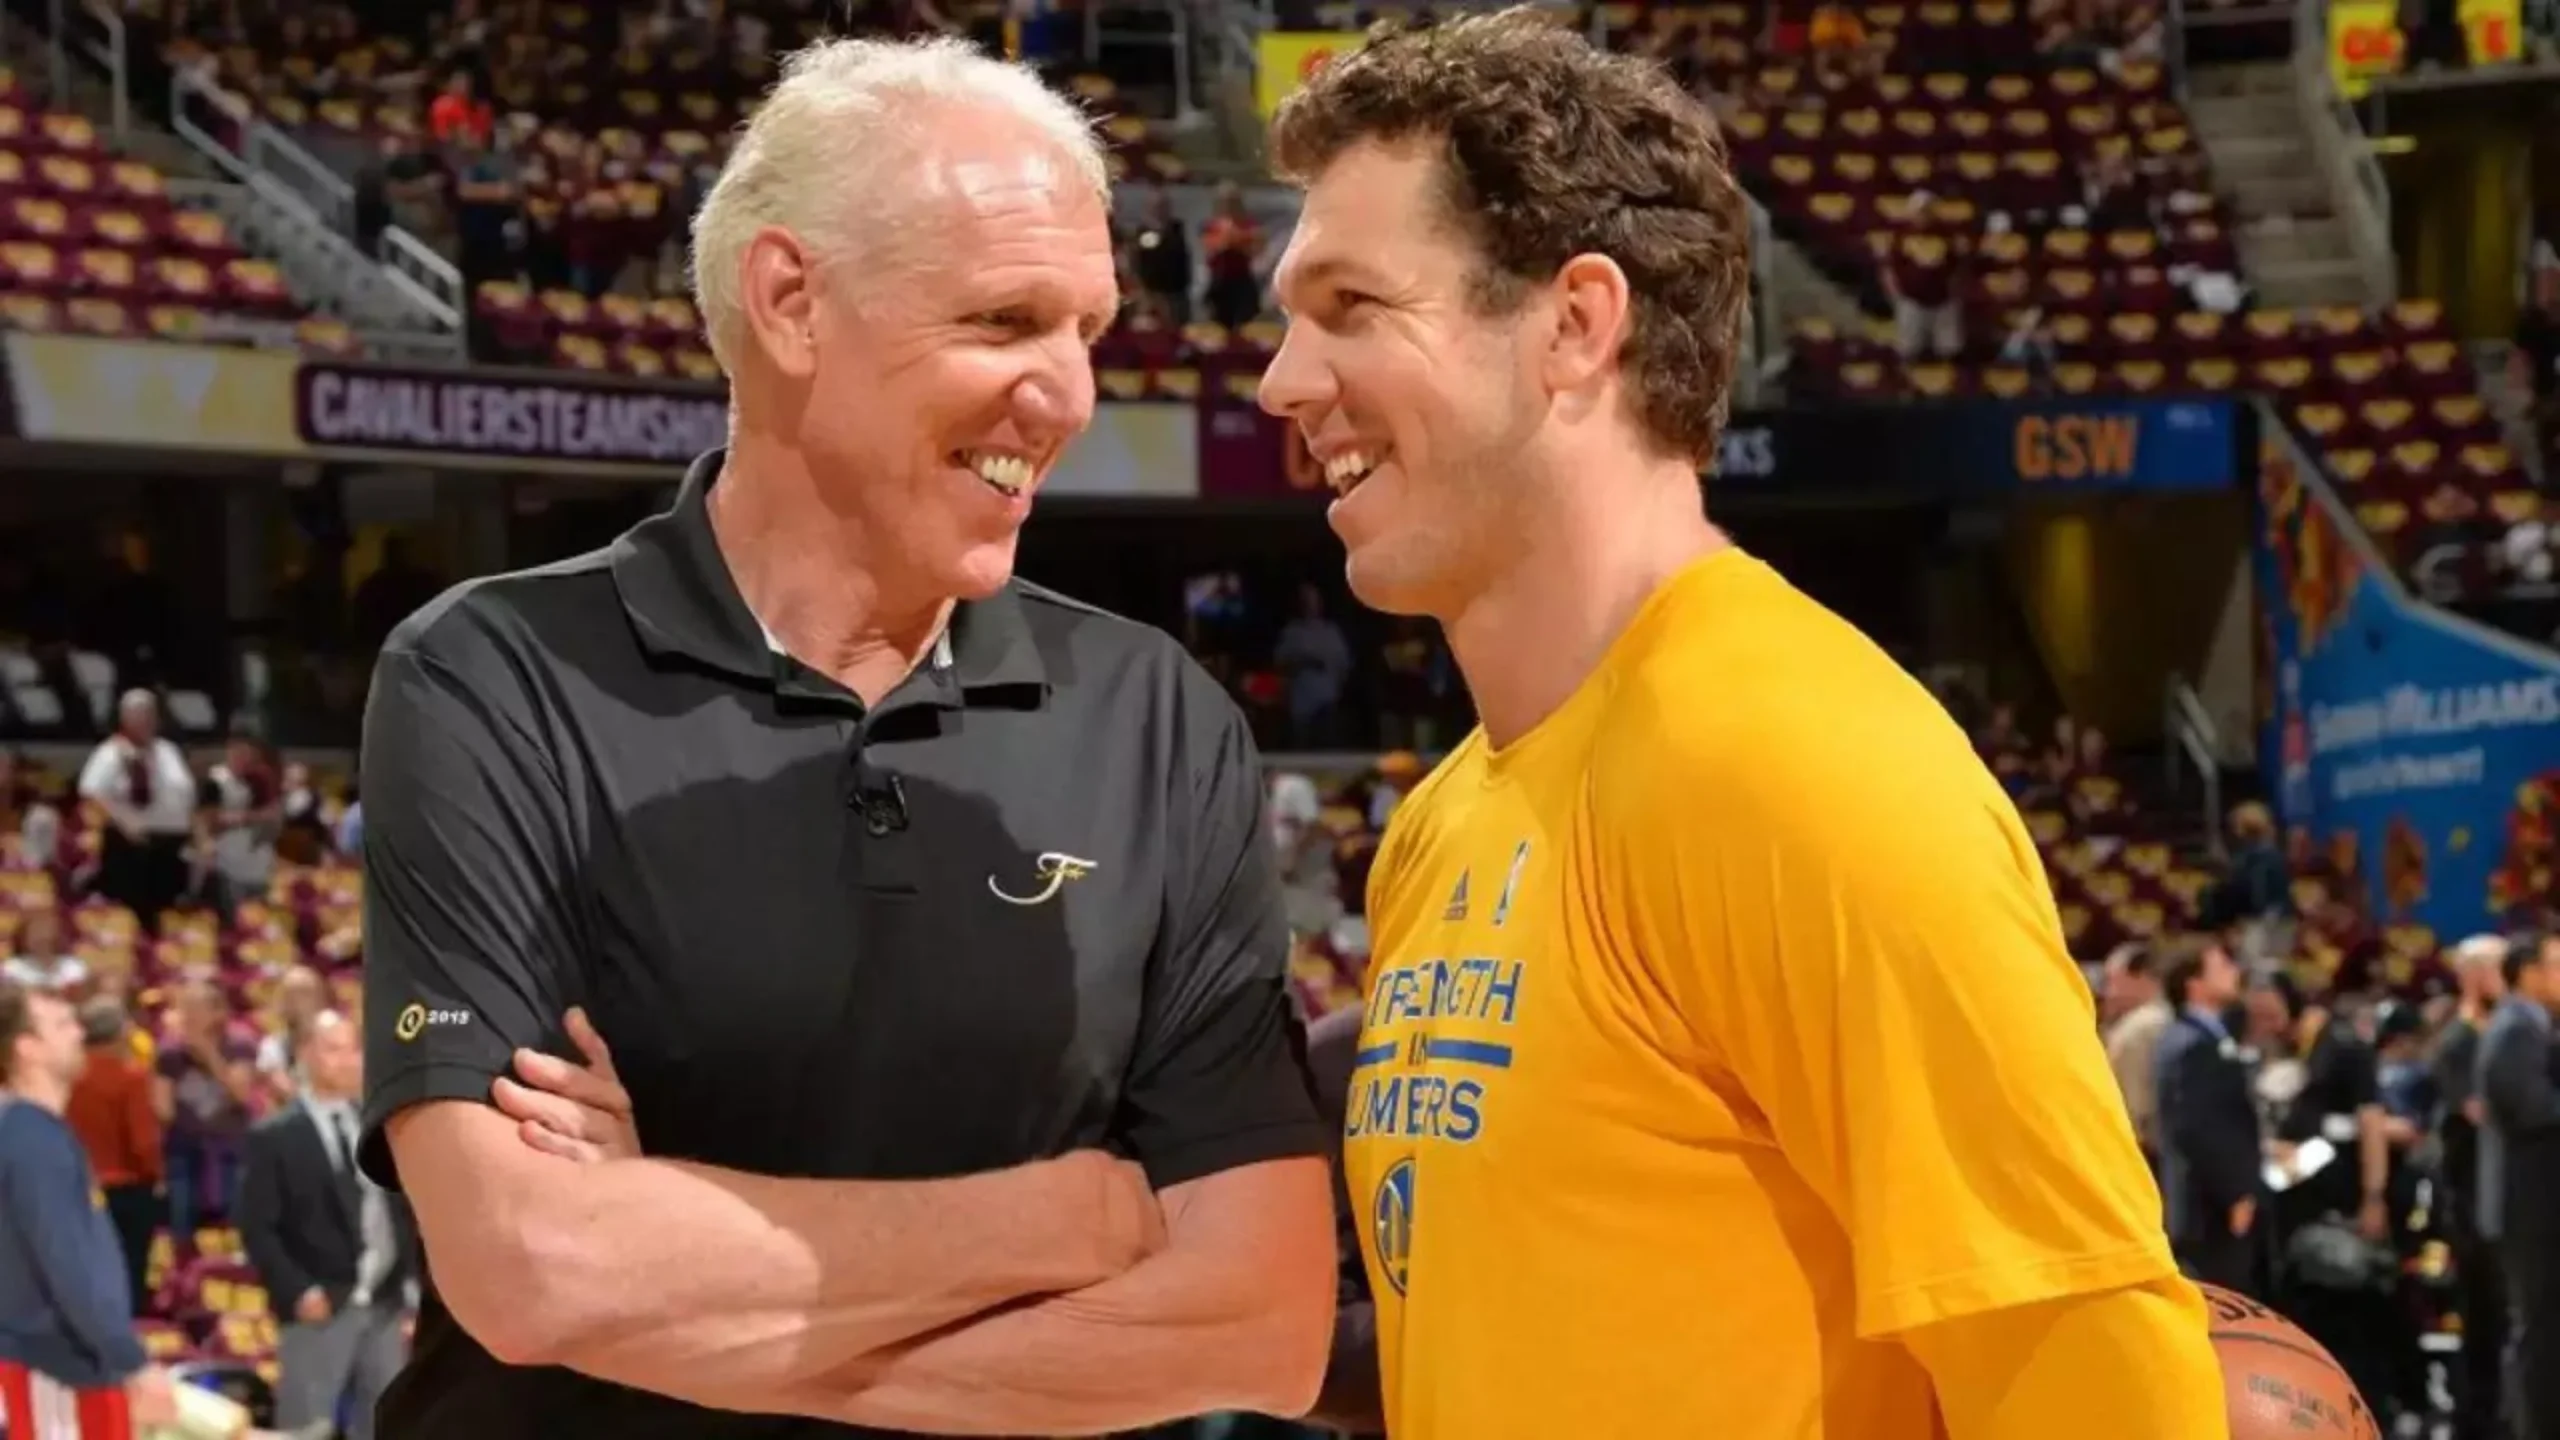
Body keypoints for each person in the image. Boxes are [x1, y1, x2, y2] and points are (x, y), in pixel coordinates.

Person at [1250, 11, 2223, 1435]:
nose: (1281, 379)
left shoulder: (1794, 766)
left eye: (1350, 307)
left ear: (1576, 325)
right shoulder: (1445, 821)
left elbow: (2094, 1377)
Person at [354, 34, 1332, 1440]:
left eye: (1087, 331)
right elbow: (533, 1265)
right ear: (793, 303)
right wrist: (1075, 1212)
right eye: (1004, 322)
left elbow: (1261, 1324)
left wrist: (677, 1277)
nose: (1067, 395)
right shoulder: (493, 675)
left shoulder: (1157, 716)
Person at [0, 980, 180, 1438]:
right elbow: (67, 1263)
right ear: (27, 1048)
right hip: (53, 1366)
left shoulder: (39, 1132)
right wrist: (131, 1360)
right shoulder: (31, 1139)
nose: (78, 1032)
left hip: (68, 1363)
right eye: (60, 1025)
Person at [235, 1011, 416, 1439]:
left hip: (385, 1303)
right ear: (304, 1057)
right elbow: (257, 1227)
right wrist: (297, 1290)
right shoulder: (275, 1136)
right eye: (334, 1050)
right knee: (306, 1428)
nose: (349, 1060)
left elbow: (402, 1213)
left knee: (385, 1424)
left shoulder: (381, 1124)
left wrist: (410, 1286)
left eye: (354, 1049)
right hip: (319, 1305)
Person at [2478, 929, 2560, 1437]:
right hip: (2527, 1209)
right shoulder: (2514, 1029)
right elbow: (2530, 1108)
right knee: (2537, 1332)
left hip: (2535, 1208)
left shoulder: (2534, 1028)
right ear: (2529, 973)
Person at [2155, 937, 2264, 1295]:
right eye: (2221, 966)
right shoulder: (2191, 1045)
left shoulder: (2205, 1038)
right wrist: (2235, 1193)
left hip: (2215, 1207)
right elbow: (2198, 1127)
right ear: (2194, 984)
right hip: (2208, 1211)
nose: (2234, 972)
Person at [2435, 934, 2511, 1439]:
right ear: (2475, 975)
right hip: (2470, 1198)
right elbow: (2479, 1112)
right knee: (2484, 1317)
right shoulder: (2458, 1041)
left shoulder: (2496, 1032)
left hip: (2500, 1195)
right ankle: (2477, 1422)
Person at [63, 996, 165, 1320]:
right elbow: (143, 1142)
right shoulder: (129, 1077)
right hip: (126, 1190)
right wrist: (158, 1175)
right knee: (129, 1274)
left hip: (74, 1187)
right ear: (119, 1033)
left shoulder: (67, 1077)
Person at [74, 690, 197, 937]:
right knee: (132, 910)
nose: (144, 720)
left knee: (168, 909)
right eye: (137, 714)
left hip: (170, 842)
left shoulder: (168, 751)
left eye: (149, 714)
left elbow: (185, 792)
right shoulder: (110, 751)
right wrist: (122, 819)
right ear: (124, 719)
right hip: (129, 844)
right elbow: (90, 791)